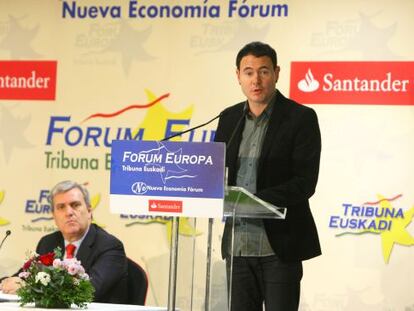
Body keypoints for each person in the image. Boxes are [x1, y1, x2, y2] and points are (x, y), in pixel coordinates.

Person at [214, 41, 322, 311]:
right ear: (237, 76)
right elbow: (214, 174)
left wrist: (252, 201)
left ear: (276, 72)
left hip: (279, 247)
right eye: (248, 72)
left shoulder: (300, 118)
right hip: (237, 247)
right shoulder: (228, 118)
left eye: (263, 71)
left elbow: (305, 183)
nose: (256, 80)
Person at [0, 180, 128, 304]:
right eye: (61, 207)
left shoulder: (110, 246)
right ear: (53, 216)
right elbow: (24, 276)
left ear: (89, 211)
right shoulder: (48, 242)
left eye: (75, 205)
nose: (69, 212)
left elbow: (88, 291)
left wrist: (29, 288)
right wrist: (6, 283)